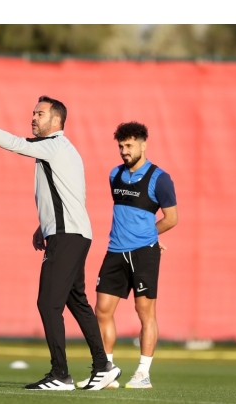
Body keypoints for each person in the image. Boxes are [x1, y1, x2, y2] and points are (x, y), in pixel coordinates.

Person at [0, 96, 121, 391]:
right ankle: (103, 366)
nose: (33, 117)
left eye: (40, 113)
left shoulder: (53, 145)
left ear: (56, 121)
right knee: (76, 301)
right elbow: (67, 194)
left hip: (67, 236)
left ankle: (61, 374)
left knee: (47, 304)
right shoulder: (60, 149)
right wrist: (44, 226)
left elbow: (16, 144)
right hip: (72, 234)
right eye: (33, 113)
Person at [76, 121, 178, 389]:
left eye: (129, 145)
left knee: (145, 312)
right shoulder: (115, 175)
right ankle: (105, 371)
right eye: (121, 146)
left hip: (143, 254)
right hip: (114, 252)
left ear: (143, 144)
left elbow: (172, 219)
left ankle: (143, 374)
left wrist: (149, 238)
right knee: (102, 310)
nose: (124, 150)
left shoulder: (160, 178)